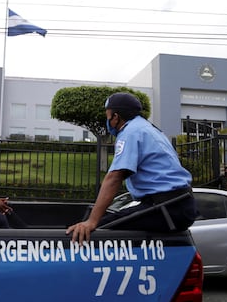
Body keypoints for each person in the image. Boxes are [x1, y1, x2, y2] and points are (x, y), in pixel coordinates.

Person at [66, 93, 197, 244]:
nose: (107, 121)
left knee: (101, 230)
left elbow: (114, 178)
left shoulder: (130, 132)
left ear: (115, 117)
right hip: (177, 205)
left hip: (168, 207)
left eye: (108, 116)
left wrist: (91, 222)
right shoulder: (147, 128)